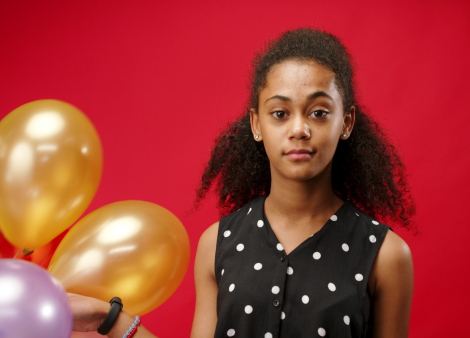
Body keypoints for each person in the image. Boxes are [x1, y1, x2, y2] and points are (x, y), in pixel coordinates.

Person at [70, 28, 415, 338]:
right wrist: (110, 318)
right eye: (280, 114)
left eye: (319, 112)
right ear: (256, 124)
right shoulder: (218, 243)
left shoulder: (385, 256)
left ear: (347, 122)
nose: (299, 129)